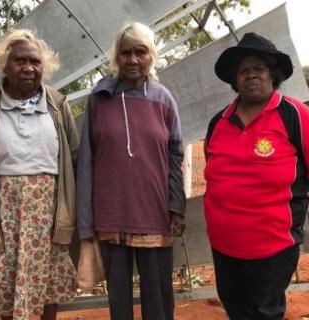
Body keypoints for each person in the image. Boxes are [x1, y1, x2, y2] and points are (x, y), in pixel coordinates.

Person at [203, 32, 309, 320]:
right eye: (244, 70)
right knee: (235, 307)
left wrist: (284, 195)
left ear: (272, 75)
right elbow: (214, 170)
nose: (251, 76)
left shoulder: (295, 115)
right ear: (234, 79)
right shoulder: (219, 122)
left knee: (264, 312)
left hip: (272, 245)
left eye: (259, 69)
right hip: (224, 244)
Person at [0, 29, 79, 320]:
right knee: (2, 290)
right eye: (19, 61)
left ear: (44, 66)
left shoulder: (57, 105)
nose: (28, 68)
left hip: (48, 217)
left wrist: (71, 213)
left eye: (35, 62)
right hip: (3, 218)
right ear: (4, 65)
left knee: (48, 288)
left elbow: (74, 159)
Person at [75, 22, 186, 320]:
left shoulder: (163, 99)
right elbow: (86, 160)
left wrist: (177, 205)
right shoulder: (100, 99)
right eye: (126, 53)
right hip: (112, 214)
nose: (133, 60)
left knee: (159, 300)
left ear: (152, 56)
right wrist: (86, 222)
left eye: (141, 52)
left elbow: (176, 155)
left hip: (156, 213)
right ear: (116, 57)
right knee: (119, 302)